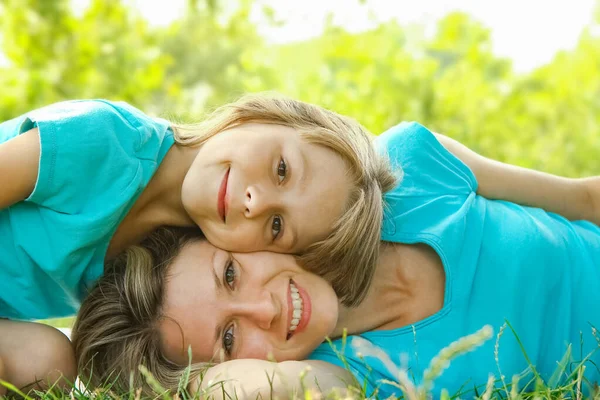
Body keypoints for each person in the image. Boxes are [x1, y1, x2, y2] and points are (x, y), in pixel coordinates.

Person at [72, 121, 600, 398]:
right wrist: (194, 385)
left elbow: (585, 199)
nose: (264, 311)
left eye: (230, 274)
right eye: (229, 338)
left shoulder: (411, 169)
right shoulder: (343, 374)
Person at [0, 94, 394, 394]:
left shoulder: (182, 258)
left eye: (276, 225)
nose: (255, 201)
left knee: (48, 361)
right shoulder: (103, 140)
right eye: (282, 169)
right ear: (260, 117)